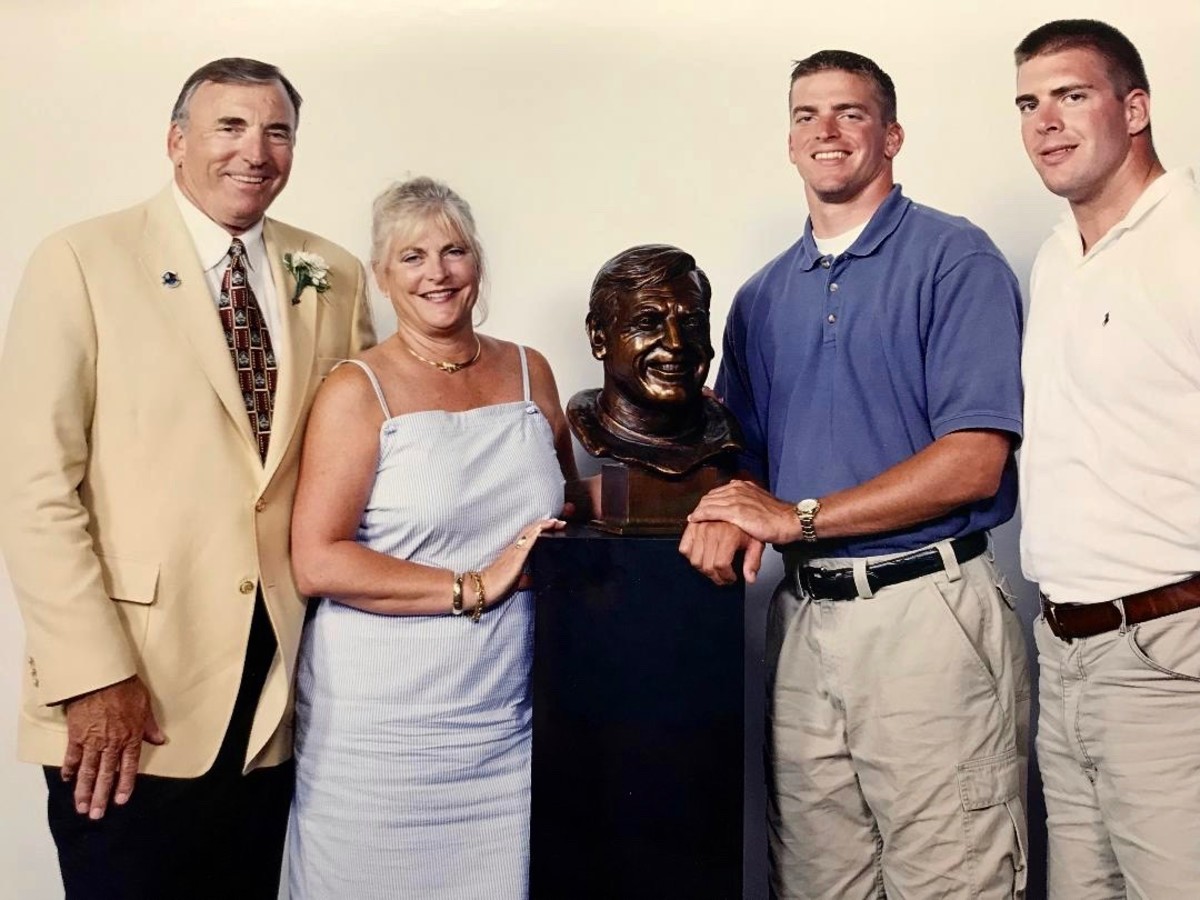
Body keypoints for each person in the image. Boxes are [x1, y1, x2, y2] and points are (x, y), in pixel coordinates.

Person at [0, 57, 375, 898]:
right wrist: (93, 676)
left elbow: (367, 457)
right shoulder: (81, 261)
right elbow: (32, 489)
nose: (256, 150)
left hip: (280, 699)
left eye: (277, 131)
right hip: (132, 691)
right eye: (230, 126)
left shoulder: (335, 273)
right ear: (176, 143)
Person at [682, 50, 1030, 898]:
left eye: (850, 113)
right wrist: (720, 506)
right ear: (790, 140)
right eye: (807, 115)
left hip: (926, 617)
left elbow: (975, 461)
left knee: (953, 881)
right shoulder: (762, 296)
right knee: (816, 883)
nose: (826, 132)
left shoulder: (956, 258)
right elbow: (743, 459)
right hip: (805, 626)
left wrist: (795, 518)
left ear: (892, 135)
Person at [287, 175, 575, 898]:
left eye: (453, 251)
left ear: (477, 262)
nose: (438, 274)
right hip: (382, 728)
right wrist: (473, 584)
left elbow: (565, 506)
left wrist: (685, 489)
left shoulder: (527, 371)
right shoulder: (358, 390)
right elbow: (318, 560)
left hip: (501, 718)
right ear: (382, 277)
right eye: (412, 257)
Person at [1014, 19, 1200, 897]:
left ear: (1136, 107)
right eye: (1028, 102)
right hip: (1065, 648)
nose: (1045, 121)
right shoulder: (1055, 255)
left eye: (1071, 95)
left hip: (1171, 653)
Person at [568, 243, 742, 477]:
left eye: (691, 322)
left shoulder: (728, 437)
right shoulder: (570, 436)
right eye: (648, 322)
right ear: (599, 336)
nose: (676, 342)